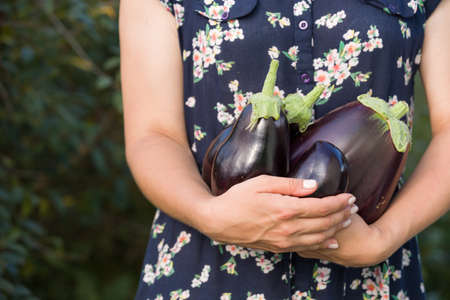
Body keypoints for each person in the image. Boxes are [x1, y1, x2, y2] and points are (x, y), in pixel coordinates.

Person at [120, 0, 450, 298]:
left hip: (369, 279)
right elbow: (153, 134)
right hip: (204, 272)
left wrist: (382, 238)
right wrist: (206, 213)